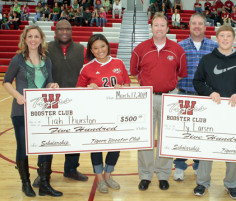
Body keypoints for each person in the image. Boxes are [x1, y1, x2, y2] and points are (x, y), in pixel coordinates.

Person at [192, 25, 236, 200]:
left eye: (229, 36)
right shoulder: (207, 59)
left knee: (233, 147)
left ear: (234, 38)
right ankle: (202, 182)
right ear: (217, 38)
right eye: (222, 36)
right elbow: (197, 81)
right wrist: (210, 92)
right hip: (212, 112)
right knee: (207, 148)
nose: (225, 39)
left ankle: (232, 184)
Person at [3, 25, 63, 197]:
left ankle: (44, 183)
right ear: (25, 39)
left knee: (45, 146)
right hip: (21, 111)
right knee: (23, 147)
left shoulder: (47, 60)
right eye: (30, 36)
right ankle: (25, 183)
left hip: (41, 112)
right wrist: (17, 95)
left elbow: (49, 82)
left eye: (36, 36)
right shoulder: (18, 59)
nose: (33, 39)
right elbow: (6, 81)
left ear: (41, 39)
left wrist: (53, 85)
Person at [130, 12, 187, 191]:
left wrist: (167, 87)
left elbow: (180, 73)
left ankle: (163, 174)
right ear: (151, 27)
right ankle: (145, 175)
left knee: (165, 139)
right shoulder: (140, 49)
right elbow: (133, 72)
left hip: (169, 98)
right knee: (146, 139)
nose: (159, 28)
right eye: (156, 25)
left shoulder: (177, 50)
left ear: (168, 27)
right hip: (146, 98)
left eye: (163, 25)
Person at [32, 20, 89, 187]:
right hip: (51, 101)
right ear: (55, 31)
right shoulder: (46, 48)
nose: (64, 31)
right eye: (60, 29)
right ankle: (43, 173)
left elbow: (89, 71)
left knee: (74, 137)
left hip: (75, 100)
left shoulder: (81, 49)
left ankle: (71, 169)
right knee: (47, 138)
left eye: (67, 29)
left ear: (71, 31)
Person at [76, 34, 130, 193]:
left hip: (117, 112)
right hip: (96, 114)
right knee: (97, 145)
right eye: (95, 48)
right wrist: (87, 89)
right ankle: (99, 178)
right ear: (91, 51)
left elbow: (127, 83)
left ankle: (108, 174)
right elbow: (77, 89)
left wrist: (123, 88)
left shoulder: (118, 63)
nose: (100, 50)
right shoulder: (87, 68)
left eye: (102, 46)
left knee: (116, 145)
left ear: (108, 46)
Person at [174, 13, 218, 181]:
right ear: (189, 26)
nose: (197, 26)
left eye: (201, 23)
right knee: (182, 133)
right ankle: (179, 166)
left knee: (202, 134)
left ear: (205, 27)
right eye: (194, 23)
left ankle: (199, 165)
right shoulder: (180, 46)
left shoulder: (214, 47)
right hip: (184, 95)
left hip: (206, 99)